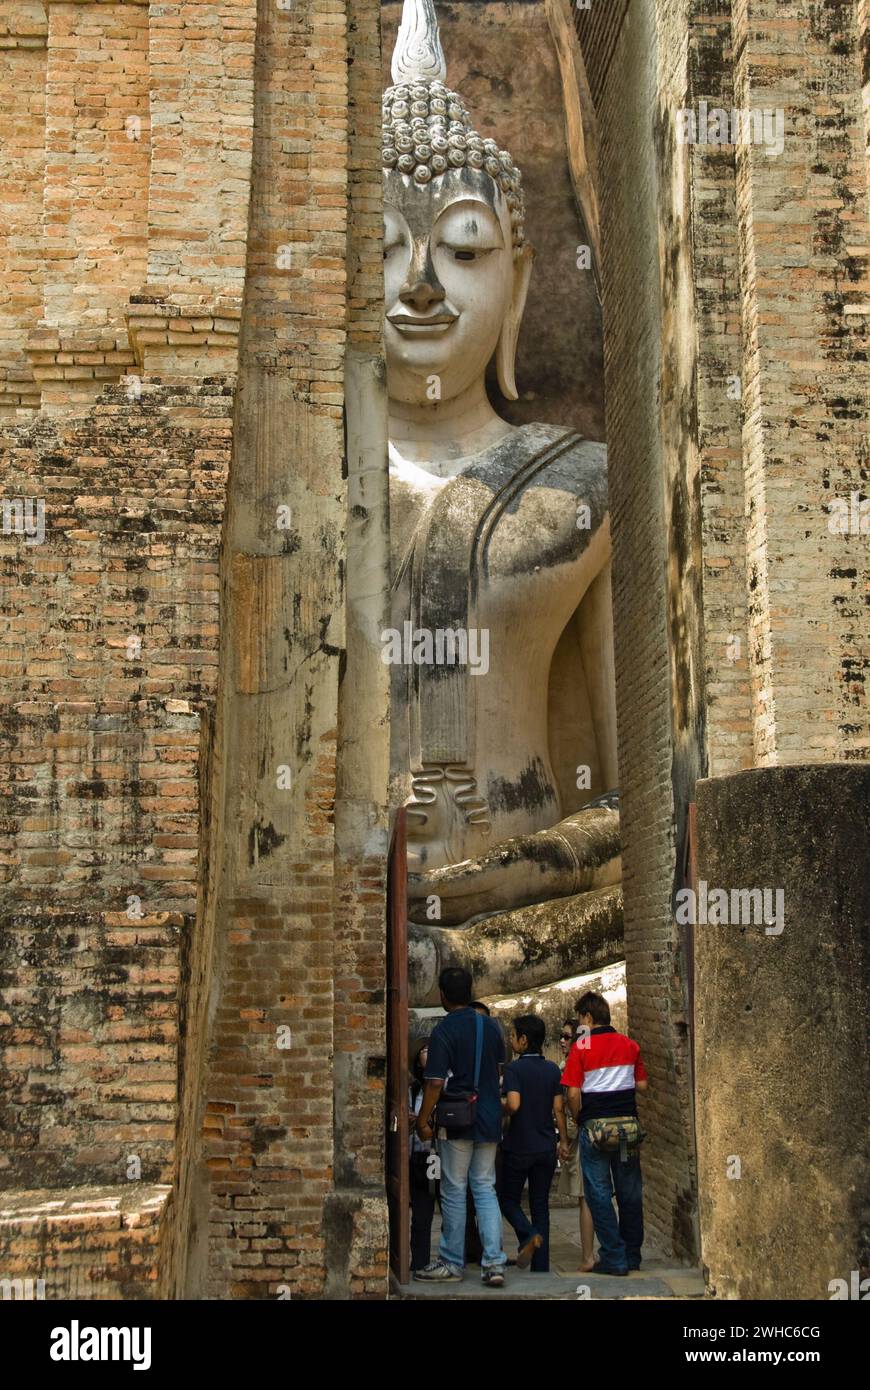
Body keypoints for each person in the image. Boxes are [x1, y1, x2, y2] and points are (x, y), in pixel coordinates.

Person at [414, 967, 508, 1286]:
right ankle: (494, 1263)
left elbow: (435, 1083)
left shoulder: (443, 1031)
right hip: (490, 1115)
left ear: (442, 995)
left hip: (458, 1119)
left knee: (454, 1189)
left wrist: (424, 1119)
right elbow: (497, 1071)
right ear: (470, 992)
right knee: (484, 1186)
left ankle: (452, 1262)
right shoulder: (491, 1027)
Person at [562, 991, 649, 1276]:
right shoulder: (629, 1044)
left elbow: (573, 1093)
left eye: (579, 1020)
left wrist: (579, 1116)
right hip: (626, 1131)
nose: (578, 1027)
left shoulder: (581, 1046)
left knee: (598, 1193)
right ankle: (632, 1255)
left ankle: (613, 1256)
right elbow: (642, 1086)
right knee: (630, 1191)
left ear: (588, 1018)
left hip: (595, 1131)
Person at [498, 1015, 568, 1272]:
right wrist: (563, 1140)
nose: (510, 1039)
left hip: (518, 1146)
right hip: (546, 1146)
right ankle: (541, 1266)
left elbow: (513, 1104)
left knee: (507, 1200)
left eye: (513, 1035)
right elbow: (558, 1109)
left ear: (524, 1040)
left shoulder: (513, 1069)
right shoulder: (551, 1069)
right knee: (541, 1206)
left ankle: (528, 1235)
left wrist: (499, 1106)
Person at [558, 1016, 595, 1272]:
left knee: (587, 1198)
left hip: (583, 1133)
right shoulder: (569, 1064)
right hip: (580, 1134)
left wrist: (575, 1120)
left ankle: (588, 1256)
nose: (562, 1041)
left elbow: (571, 1100)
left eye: (566, 1037)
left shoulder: (576, 1064)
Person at [464, 1000, 493, 1265]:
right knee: (471, 1190)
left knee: (475, 1187)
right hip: (473, 1123)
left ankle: (489, 1255)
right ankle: (486, 1256)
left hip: (478, 1125)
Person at [408, 1037, 437, 1272]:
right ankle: (420, 1262)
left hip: (441, 1153)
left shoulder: (447, 1086)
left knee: (452, 1207)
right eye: (426, 1051)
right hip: (419, 1155)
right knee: (421, 1214)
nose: (429, 1054)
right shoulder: (414, 1089)